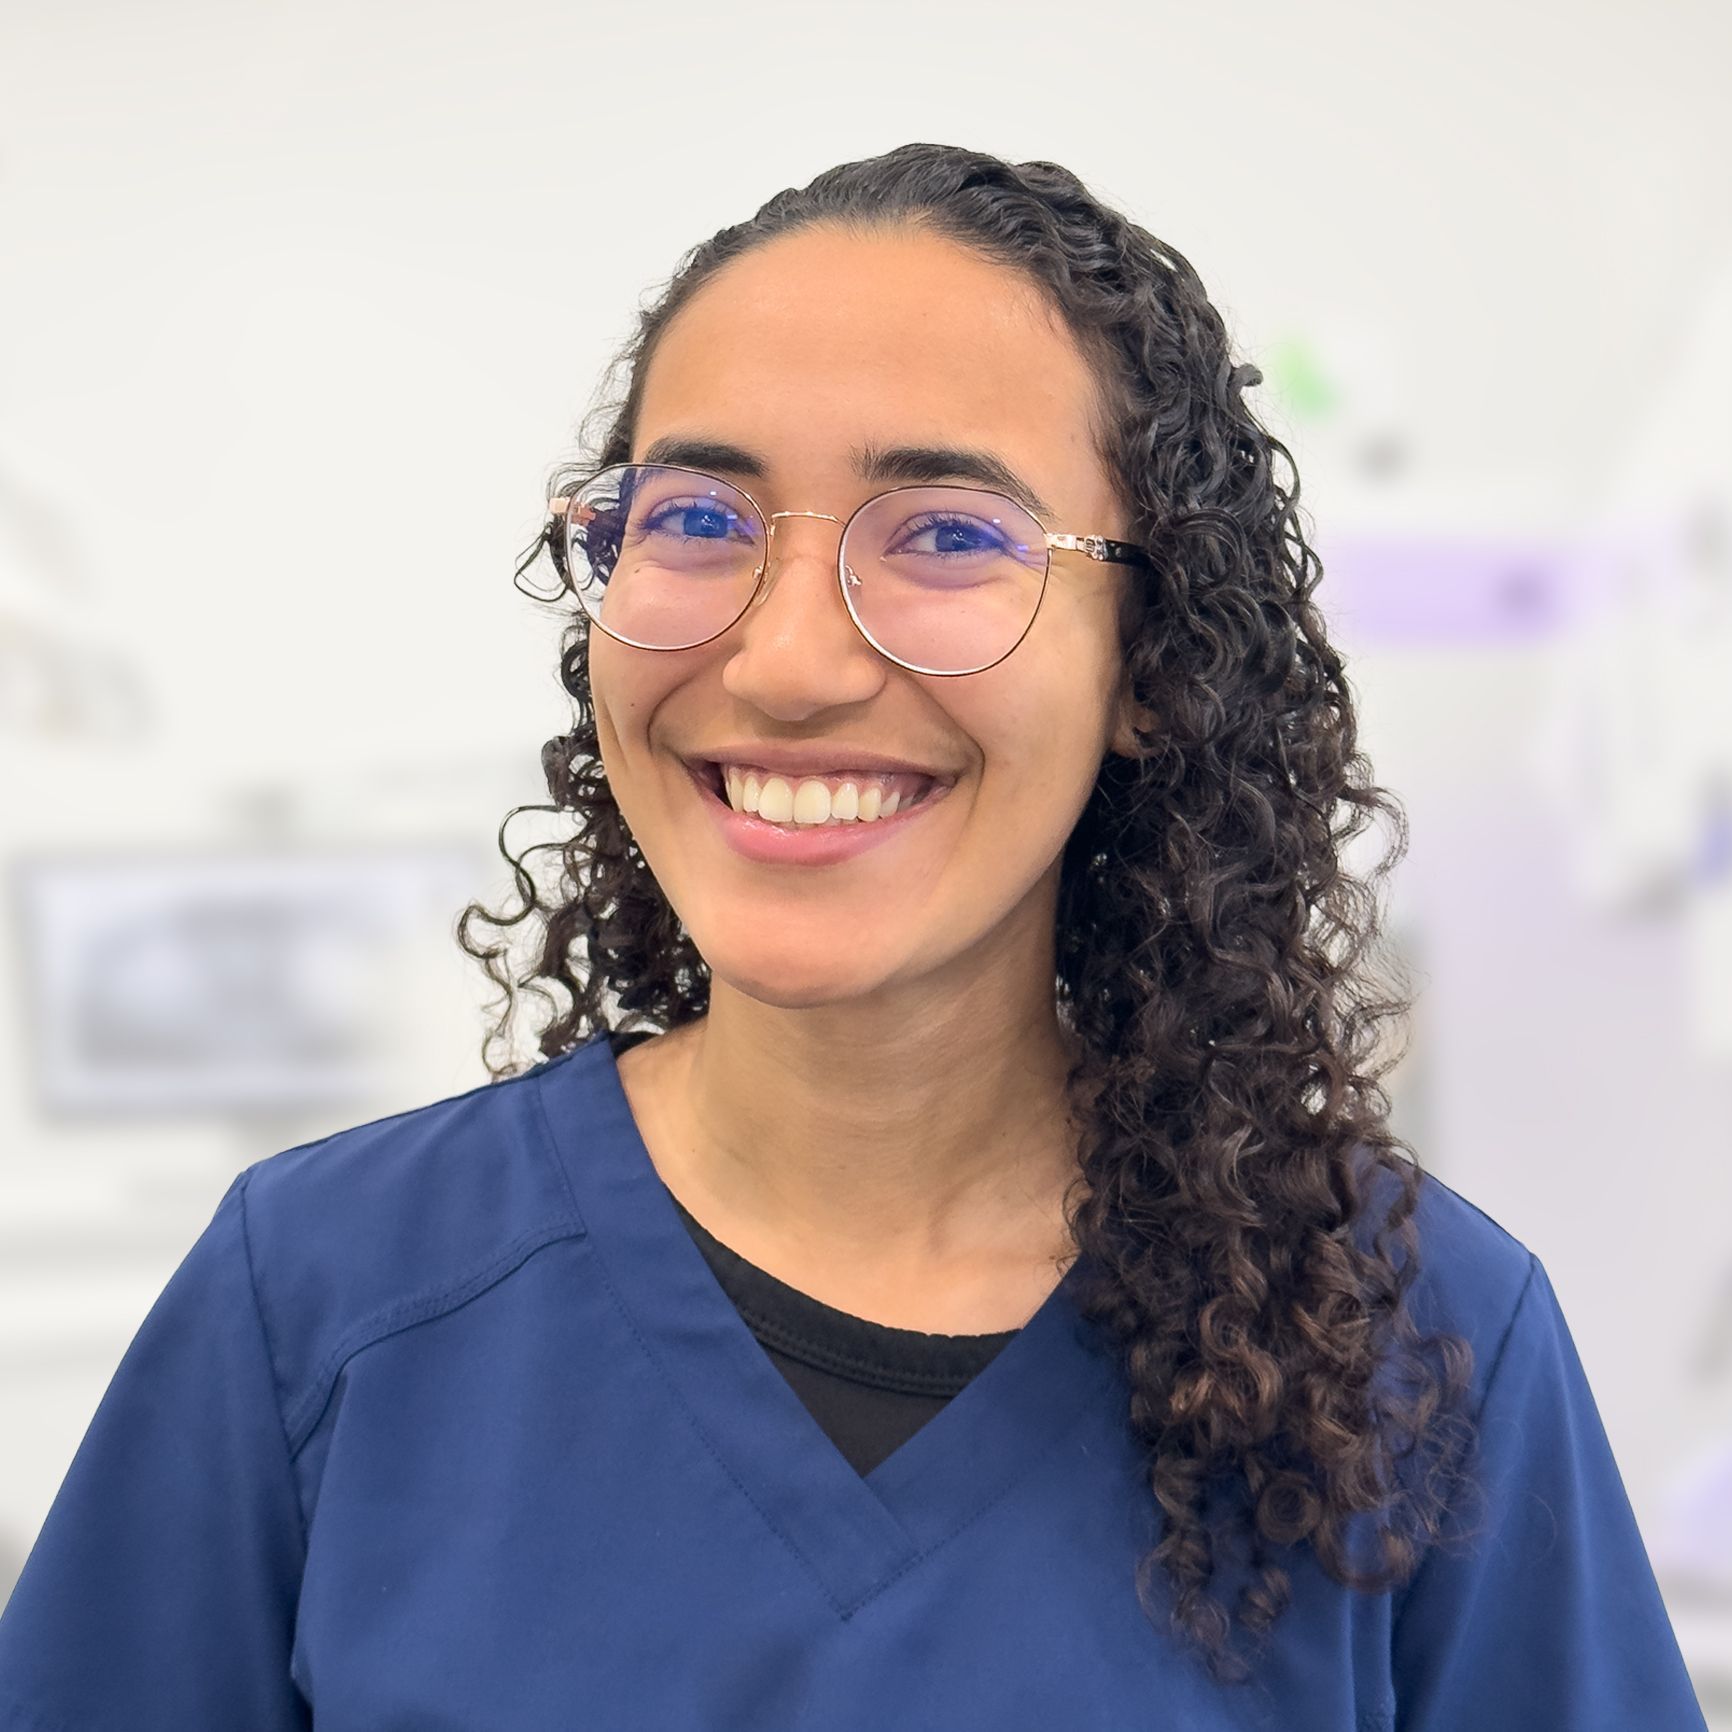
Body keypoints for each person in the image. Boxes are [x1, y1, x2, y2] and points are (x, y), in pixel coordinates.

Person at [0, 142, 1708, 1731]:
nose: (791, 662)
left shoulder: (1413, 1344)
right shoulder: (322, 1308)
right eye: (693, 519)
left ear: (1153, 666)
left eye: (951, 535)